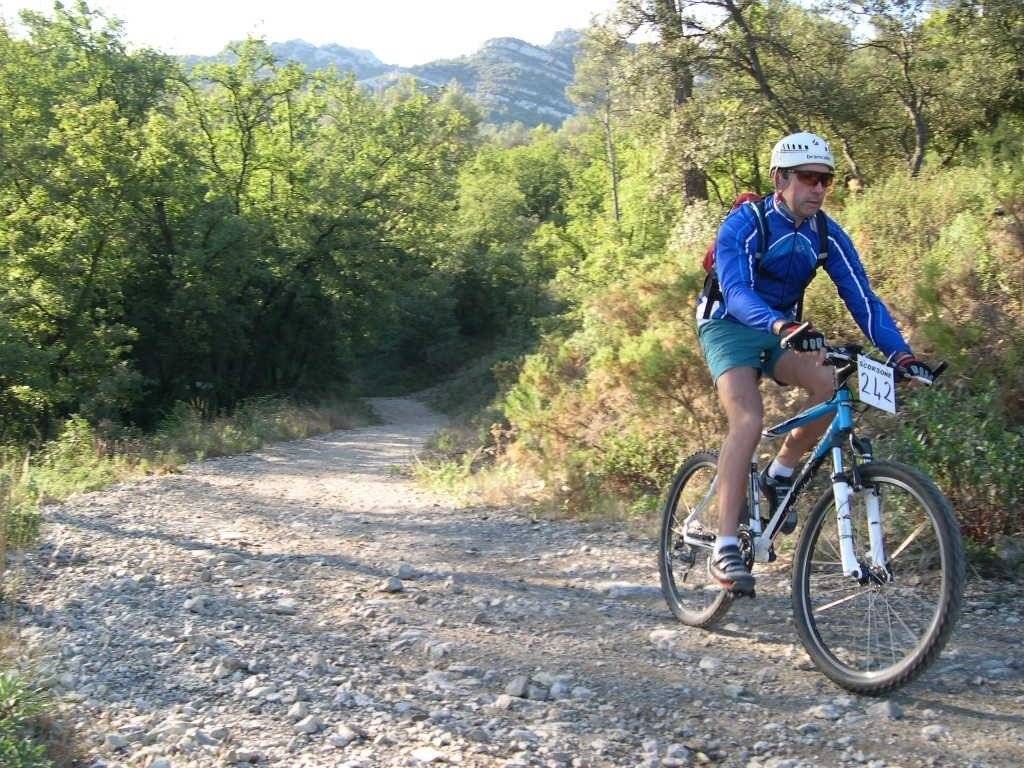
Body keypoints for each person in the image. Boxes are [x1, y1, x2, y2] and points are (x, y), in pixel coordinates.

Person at [695, 131, 934, 594]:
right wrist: (779, 324)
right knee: (747, 419)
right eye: (808, 177)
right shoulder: (746, 223)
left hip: (783, 328)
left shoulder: (826, 233)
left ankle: (779, 474)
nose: (819, 188)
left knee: (830, 384)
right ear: (779, 179)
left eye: (826, 180)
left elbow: (863, 298)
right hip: (729, 323)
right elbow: (737, 290)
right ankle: (724, 545)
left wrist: (899, 353)